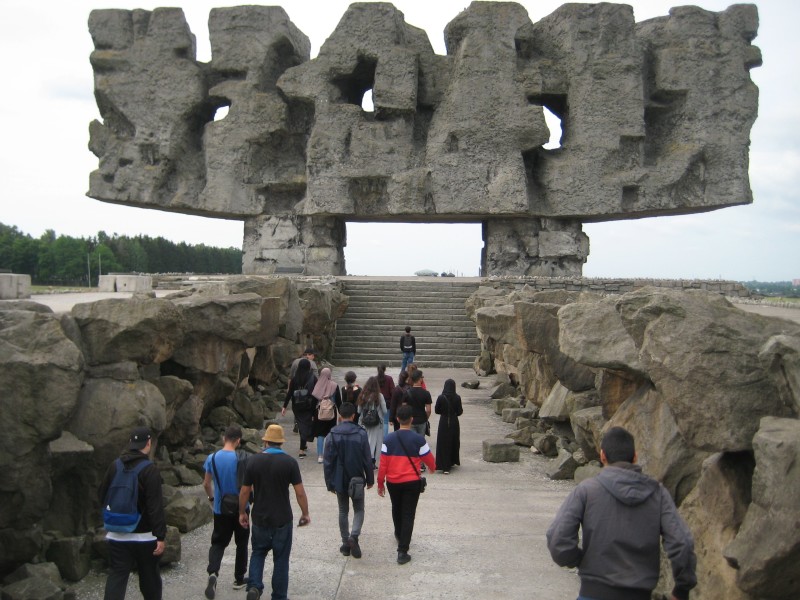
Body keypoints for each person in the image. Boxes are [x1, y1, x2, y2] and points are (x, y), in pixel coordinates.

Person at [546, 426, 697, 600]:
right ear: (635, 457)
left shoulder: (587, 490)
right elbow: (682, 542)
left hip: (592, 593)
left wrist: (581, 560)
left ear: (602, 456)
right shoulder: (658, 493)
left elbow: (558, 539)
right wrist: (682, 589)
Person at [239, 424, 310, 600]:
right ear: (281, 443)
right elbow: (299, 492)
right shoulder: (290, 463)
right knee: (281, 559)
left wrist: (242, 512)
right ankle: (278, 595)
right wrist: (305, 513)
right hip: (282, 517)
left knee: (258, 552)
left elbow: (245, 491)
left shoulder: (253, 461)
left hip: (260, 516)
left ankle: (254, 586)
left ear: (265, 442)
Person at [98, 426, 166, 600]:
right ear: (148, 443)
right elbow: (155, 506)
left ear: (131, 443)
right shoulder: (149, 470)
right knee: (149, 579)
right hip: (144, 537)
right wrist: (160, 536)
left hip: (116, 533)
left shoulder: (115, 466)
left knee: (117, 577)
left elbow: (102, 494)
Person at [377, 405, 435, 565]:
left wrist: (380, 483)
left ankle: (398, 533)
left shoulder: (388, 439)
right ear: (411, 419)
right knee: (409, 514)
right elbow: (430, 460)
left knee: (396, 508)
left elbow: (383, 464)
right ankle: (403, 551)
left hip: (393, 482)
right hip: (412, 482)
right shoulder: (418, 439)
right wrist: (432, 468)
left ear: (397, 419)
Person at [323, 402, 375, 559]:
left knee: (342, 510)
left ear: (340, 416)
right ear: (354, 416)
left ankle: (345, 542)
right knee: (359, 509)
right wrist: (370, 478)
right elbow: (367, 458)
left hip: (339, 478)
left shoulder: (332, 434)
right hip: (357, 477)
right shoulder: (361, 433)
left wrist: (329, 482)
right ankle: (354, 536)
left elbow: (327, 461)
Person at [202, 425, 249, 598]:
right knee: (241, 543)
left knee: (218, 542)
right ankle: (239, 578)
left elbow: (206, 484)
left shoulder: (212, 458)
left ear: (224, 439)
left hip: (221, 508)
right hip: (241, 508)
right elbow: (248, 485)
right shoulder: (243, 458)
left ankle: (213, 572)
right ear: (238, 440)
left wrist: (212, 499)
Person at [282, 358, 318, 458]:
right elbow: (317, 391)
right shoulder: (313, 377)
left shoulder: (295, 378)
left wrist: (284, 406)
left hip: (297, 405)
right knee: (305, 425)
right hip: (309, 405)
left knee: (301, 424)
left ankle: (304, 445)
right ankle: (301, 450)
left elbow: (289, 393)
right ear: (308, 367)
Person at [311, 367, 342, 463]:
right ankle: (330, 454)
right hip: (331, 412)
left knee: (320, 434)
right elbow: (338, 401)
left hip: (319, 413)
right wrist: (341, 413)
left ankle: (320, 455)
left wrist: (312, 414)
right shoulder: (334, 385)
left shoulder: (317, 385)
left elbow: (313, 401)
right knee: (330, 434)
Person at [356, 376, 388, 468]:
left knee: (366, 441)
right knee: (375, 442)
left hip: (364, 422)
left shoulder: (362, 395)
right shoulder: (379, 396)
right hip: (377, 423)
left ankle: (365, 460)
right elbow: (385, 411)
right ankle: (372, 462)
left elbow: (358, 410)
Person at [434, 379, 463, 474]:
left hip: (443, 421)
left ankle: (443, 465)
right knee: (453, 441)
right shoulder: (457, 397)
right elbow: (459, 412)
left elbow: (437, 410)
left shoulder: (441, 397)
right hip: (454, 421)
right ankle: (451, 461)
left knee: (443, 442)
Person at [406, 369, 432, 438]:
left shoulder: (407, 392)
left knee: (412, 442)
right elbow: (428, 410)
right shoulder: (426, 393)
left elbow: (404, 408)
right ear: (420, 379)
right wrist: (425, 418)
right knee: (420, 442)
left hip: (410, 420)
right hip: (422, 420)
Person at [376, 365, 395, 438]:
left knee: (377, 422)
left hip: (377, 403)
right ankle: (384, 440)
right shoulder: (389, 379)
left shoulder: (374, 379)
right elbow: (392, 392)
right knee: (385, 422)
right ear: (385, 369)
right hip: (387, 403)